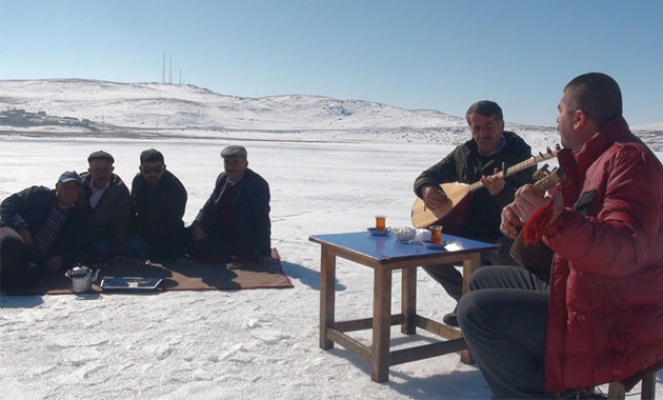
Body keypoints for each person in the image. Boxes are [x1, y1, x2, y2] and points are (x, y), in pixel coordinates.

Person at [457, 72, 663, 399]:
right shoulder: (588, 161)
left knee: (476, 311)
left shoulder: (629, 161)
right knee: (484, 279)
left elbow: (623, 249)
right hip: (586, 290)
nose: (556, 120)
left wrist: (551, 220)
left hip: (616, 318)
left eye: (559, 111)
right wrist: (527, 221)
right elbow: (573, 232)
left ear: (579, 118)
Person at [413, 100, 536, 326]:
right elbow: (426, 175)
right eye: (476, 128)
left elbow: (527, 207)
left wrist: (502, 192)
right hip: (467, 230)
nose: (482, 134)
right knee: (425, 250)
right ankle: (467, 301)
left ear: (501, 125)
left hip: (503, 233)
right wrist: (426, 188)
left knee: (507, 256)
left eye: (488, 126)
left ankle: (490, 312)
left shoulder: (521, 156)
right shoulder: (464, 153)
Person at [0, 171, 86, 290]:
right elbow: (8, 205)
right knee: (10, 244)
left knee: (31, 275)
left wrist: (62, 258)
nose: (71, 191)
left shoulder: (76, 218)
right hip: (14, 235)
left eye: (75, 188)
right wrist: (21, 227)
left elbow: (76, 247)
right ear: (57, 187)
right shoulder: (38, 195)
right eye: (66, 186)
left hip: (31, 258)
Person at [187, 145, 271, 262]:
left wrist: (265, 252)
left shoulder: (257, 185)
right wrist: (197, 225)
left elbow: (262, 219)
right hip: (220, 230)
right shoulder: (223, 178)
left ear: (245, 164)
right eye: (227, 162)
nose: (231, 167)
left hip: (241, 235)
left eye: (235, 162)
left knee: (199, 250)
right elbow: (210, 204)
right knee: (183, 236)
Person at [129, 148, 187, 260]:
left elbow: (174, 220)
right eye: (147, 170)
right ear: (141, 169)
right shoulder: (138, 181)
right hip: (145, 229)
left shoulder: (175, 187)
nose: (152, 174)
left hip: (169, 232)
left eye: (156, 169)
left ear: (163, 168)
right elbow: (134, 209)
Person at [77, 150, 132, 262]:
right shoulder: (77, 186)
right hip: (78, 235)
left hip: (103, 237)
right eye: (97, 170)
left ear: (112, 170)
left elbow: (120, 223)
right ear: (89, 171)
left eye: (105, 170)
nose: (102, 174)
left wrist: (118, 252)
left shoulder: (120, 192)